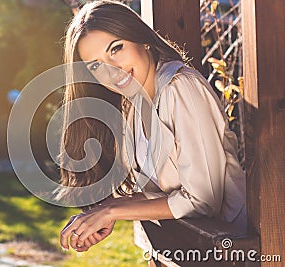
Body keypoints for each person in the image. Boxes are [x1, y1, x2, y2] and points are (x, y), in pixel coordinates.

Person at [57, 0, 246, 253]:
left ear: (141, 39)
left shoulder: (181, 87)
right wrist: (103, 213)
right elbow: (166, 194)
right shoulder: (132, 105)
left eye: (116, 49)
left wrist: (114, 211)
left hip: (236, 247)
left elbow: (203, 200)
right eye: (96, 65)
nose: (111, 70)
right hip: (188, 248)